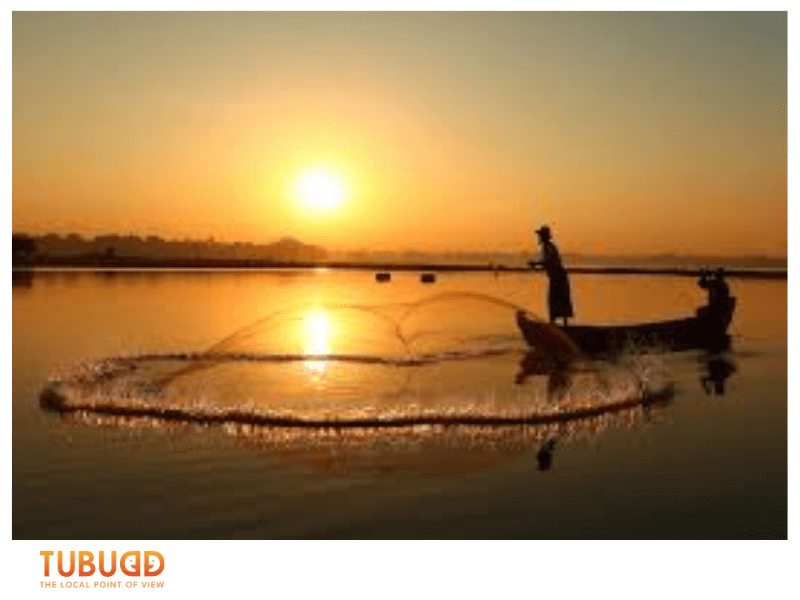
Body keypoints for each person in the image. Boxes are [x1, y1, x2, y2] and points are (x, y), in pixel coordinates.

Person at [529, 225, 574, 326]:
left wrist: (535, 264)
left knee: (556, 300)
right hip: (556, 276)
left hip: (558, 276)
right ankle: (558, 324)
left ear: (544, 236)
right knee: (557, 300)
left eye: (540, 235)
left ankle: (555, 325)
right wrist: (536, 265)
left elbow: (548, 262)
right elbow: (547, 262)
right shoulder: (547, 247)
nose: (539, 237)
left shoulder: (548, 247)